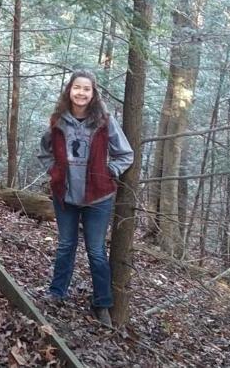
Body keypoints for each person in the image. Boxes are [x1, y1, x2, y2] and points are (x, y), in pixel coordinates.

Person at [38, 69, 134, 326]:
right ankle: (57, 293)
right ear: (69, 90)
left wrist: (108, 172)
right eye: (77, 88)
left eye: (86, 89)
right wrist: (54, 171)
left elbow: (125, 154)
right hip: (65, 196)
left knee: (96, 251)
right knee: (66, 246)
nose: (81, 93)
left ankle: (102, 303)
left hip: (98, 197)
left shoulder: (103, 121)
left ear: (93, 94)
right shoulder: (58, 120)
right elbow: (44, 150)